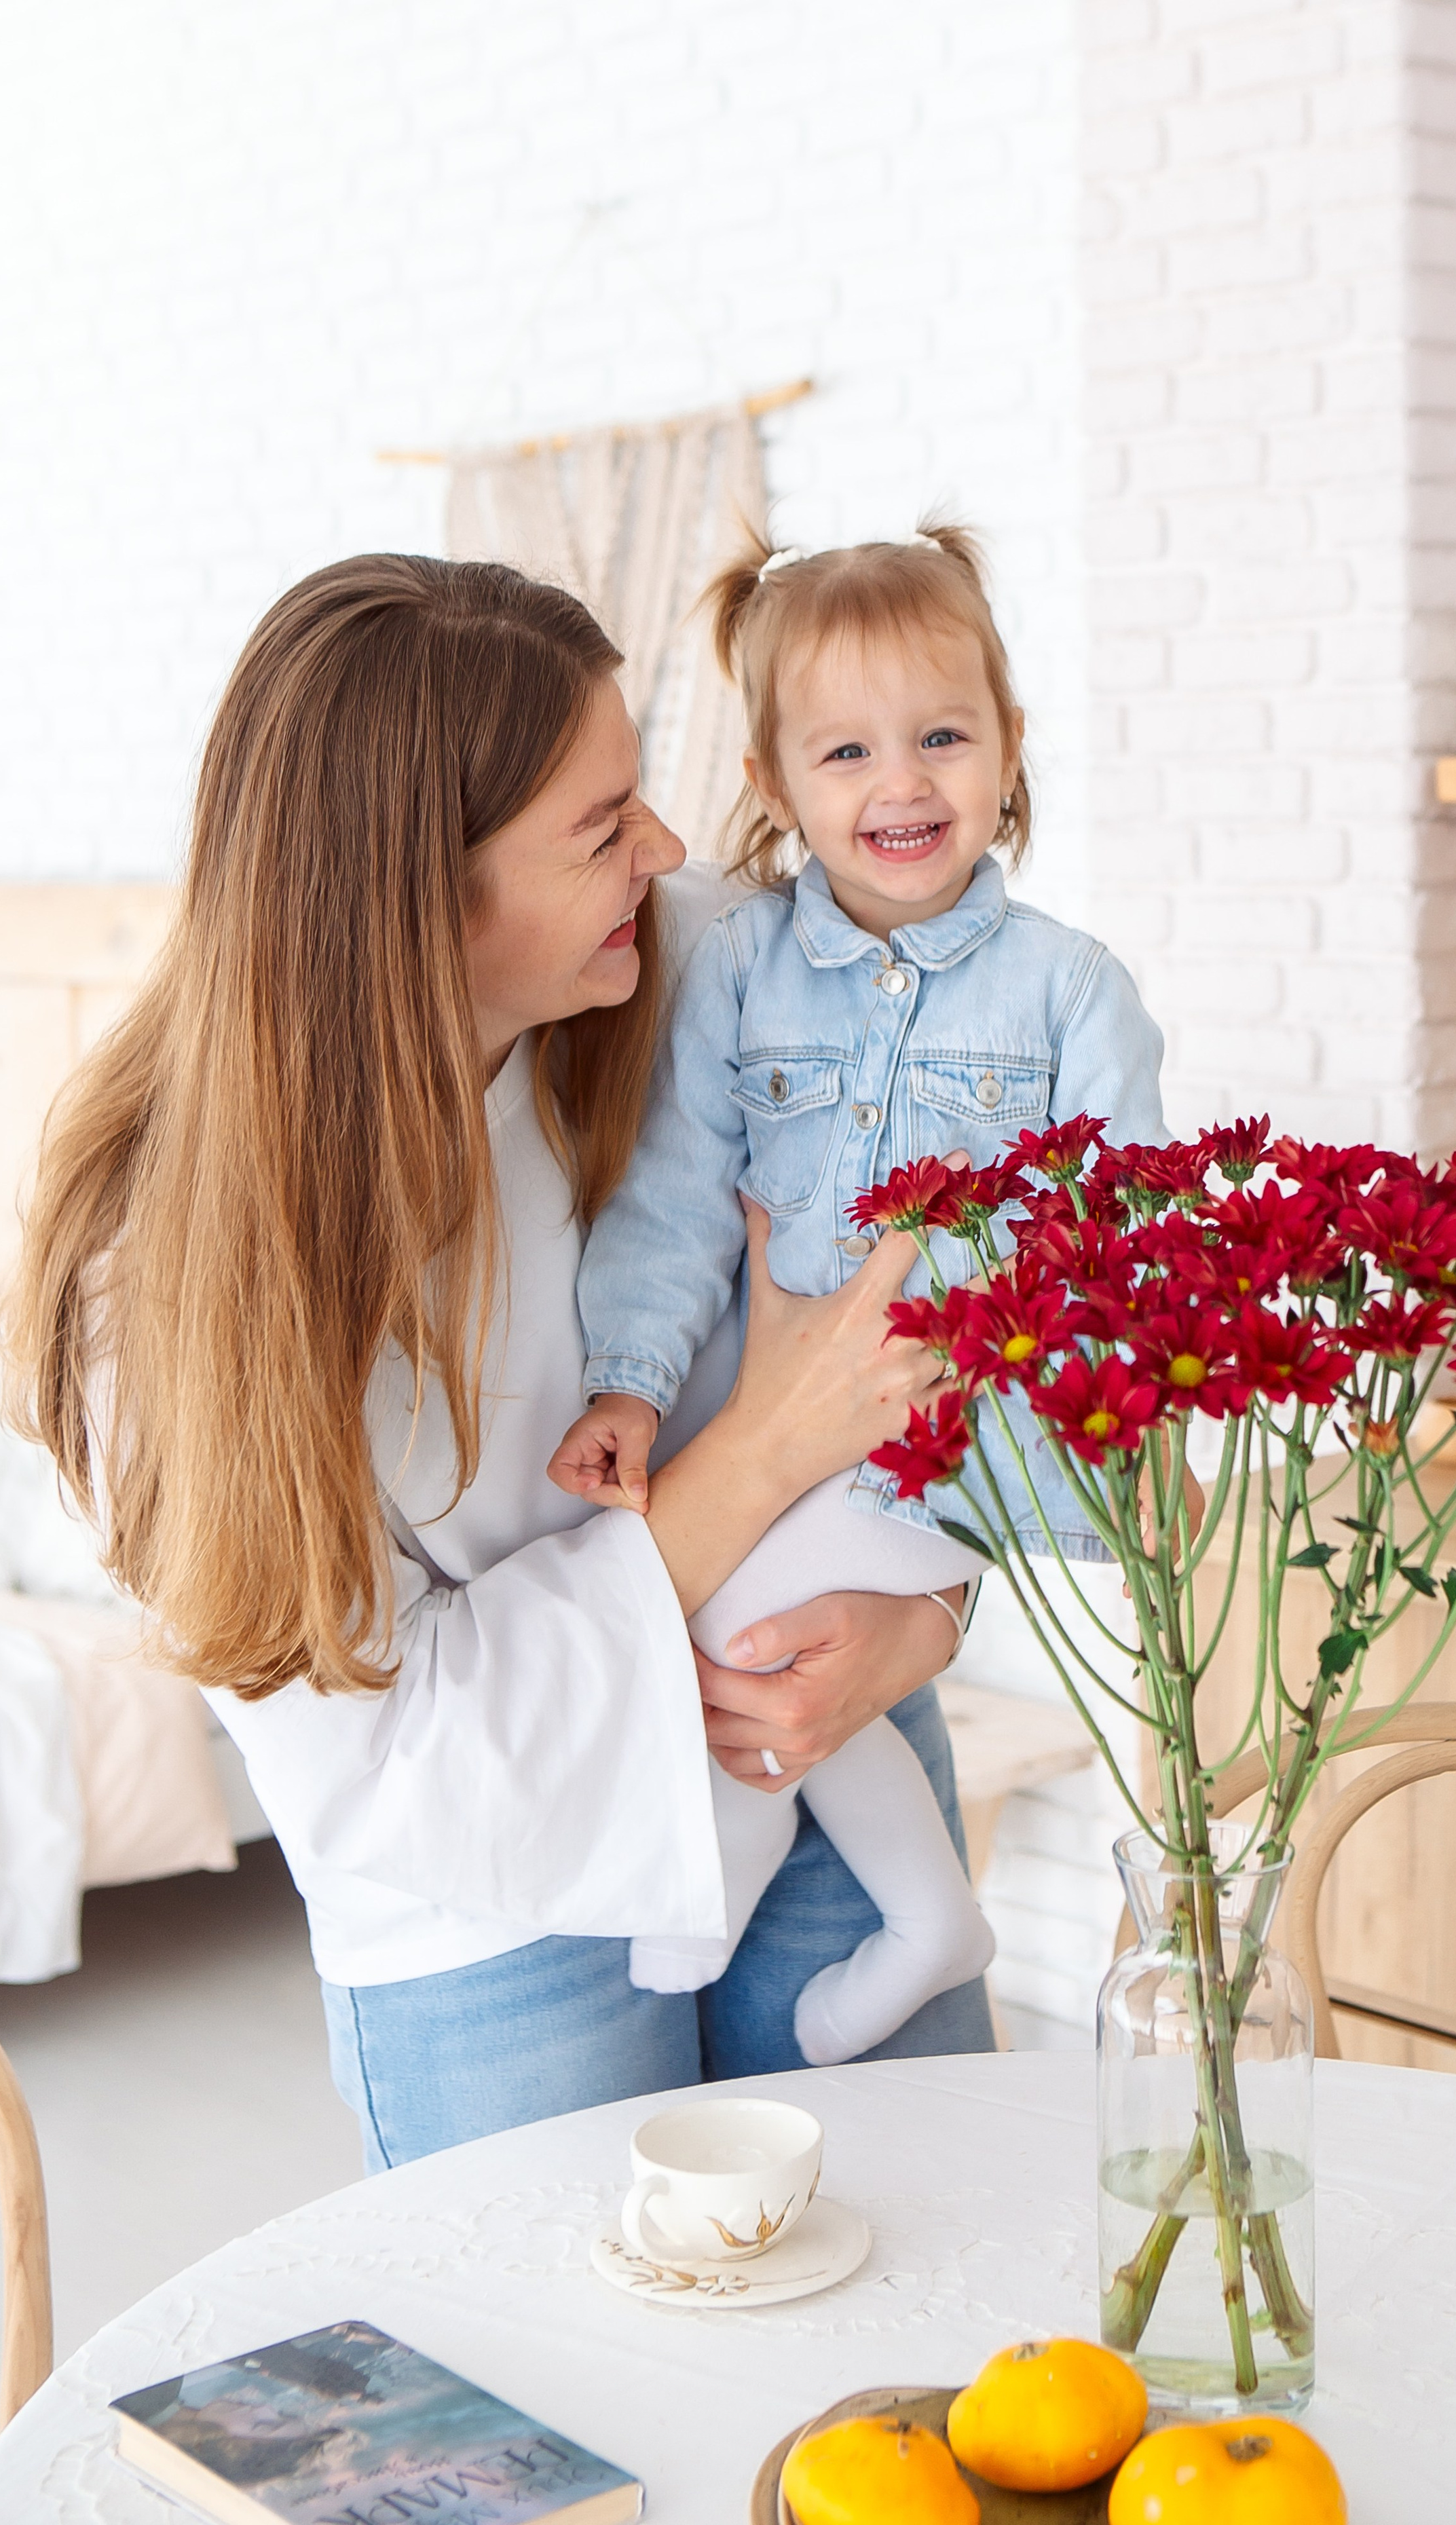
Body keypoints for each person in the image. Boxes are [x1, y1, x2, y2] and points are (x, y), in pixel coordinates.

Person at [0, 553, 994, 2173]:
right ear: (416, 905)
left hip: (824, 1745)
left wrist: (927, 1614)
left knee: (932, 2312)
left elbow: (947, 1304)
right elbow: (388, 1751)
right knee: (592, 2390)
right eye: (603, 831)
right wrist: (749, 1457)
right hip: (488, 1908)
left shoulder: (712, 974)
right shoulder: (158, 1281)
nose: (666, 851)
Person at [550, 524, 1167, 2068]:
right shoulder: (733, 971)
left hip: (951, 1429)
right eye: (846, 750)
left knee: (741, 1627)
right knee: (763, 1636)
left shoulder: (1069, 992)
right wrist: (627, 1379)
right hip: (794, 1425)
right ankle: (932, 1918)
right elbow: (679, 1195)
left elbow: (1117, 1241)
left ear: (1008, 748)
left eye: (942, 736)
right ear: (772, 782)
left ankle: (734, 1878)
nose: (901, 784)